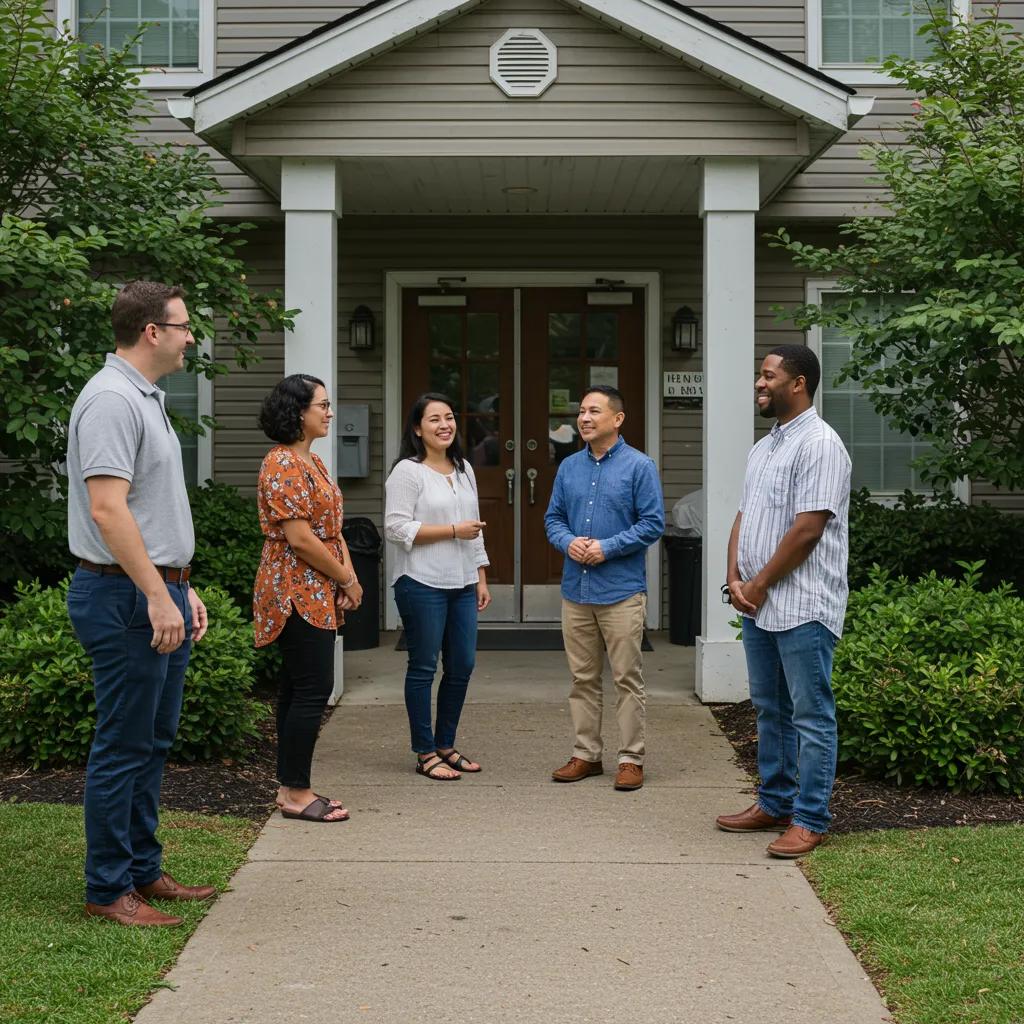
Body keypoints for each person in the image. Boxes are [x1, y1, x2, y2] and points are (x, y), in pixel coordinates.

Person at [66, 281, 213, 928]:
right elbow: (106, 508)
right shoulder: (109, 400)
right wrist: (158, 594)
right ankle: (107, 886)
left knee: (151, 741)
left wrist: (183, 587)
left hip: (155, 588)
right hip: (125, 596)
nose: (191, 337)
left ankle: (142, 871)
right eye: (183, 326)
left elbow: (149, 509)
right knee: (122, 745)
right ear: (152, 331)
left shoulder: (143, 397)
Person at [716, 345, 851, 858]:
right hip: (758, 604)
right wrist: (734, 577)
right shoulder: (766, 445)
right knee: (770, 708)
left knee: (810, 716)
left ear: (798, 384)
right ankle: (773, 802)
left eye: (768, 376)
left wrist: (762, 582)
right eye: (759, 376)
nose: (759, 383)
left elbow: (807, 530)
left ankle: (810, 818)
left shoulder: (820, 444)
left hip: (803, 606)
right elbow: (744, 515)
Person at [253, 374, 362, 823]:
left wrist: (348, 576)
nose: (330, 412)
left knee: (299, 689)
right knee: (311, 690)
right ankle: (296, 791)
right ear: (298, 412)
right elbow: (300, 539)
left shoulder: (312, 462)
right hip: (294, 591)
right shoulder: (281, 463)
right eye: (323, 405)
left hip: (318, 586)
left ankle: (291, 787)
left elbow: (331, 530)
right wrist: (346, 580)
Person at [544, 386, 664, 791]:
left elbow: (652, 523)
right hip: (575, 592)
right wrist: (568, 542)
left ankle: (631, 758)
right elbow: (553, 519)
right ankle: (586, 755)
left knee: (627, 677)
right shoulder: (569, 468)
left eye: (594, 411)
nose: (584, 418)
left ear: (618, 418)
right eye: (581, 411)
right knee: (582, 679)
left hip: (621, 592)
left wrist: (607, 548)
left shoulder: (639, 466)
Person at [384, 393, 491, 781]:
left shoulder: (463, 468)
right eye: (434, 420)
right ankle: (425, 751)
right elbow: (396, 529)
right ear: (417, 429)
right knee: (424, 667)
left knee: (462, 665)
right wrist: (451, 531)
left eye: (449, 417)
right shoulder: (407, 473)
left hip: (462, 582)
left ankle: (446, 744)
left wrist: (480, 577)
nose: (444, 425)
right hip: (421, 583)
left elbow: (474, 527)